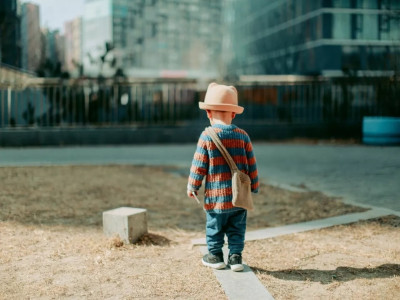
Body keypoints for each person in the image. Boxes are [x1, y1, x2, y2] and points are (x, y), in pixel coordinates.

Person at [187, 82, 259, 272]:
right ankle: (235, 257)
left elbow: (198, 166)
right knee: (237, 229)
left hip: (216, 199)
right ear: (233, 114)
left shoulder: (206, 137)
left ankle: (215, 255)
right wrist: (254, 186)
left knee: (214, 228)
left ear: (208, 113)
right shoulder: (243, 136)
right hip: (239, 198)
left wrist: (192, 186)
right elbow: (252, 164)